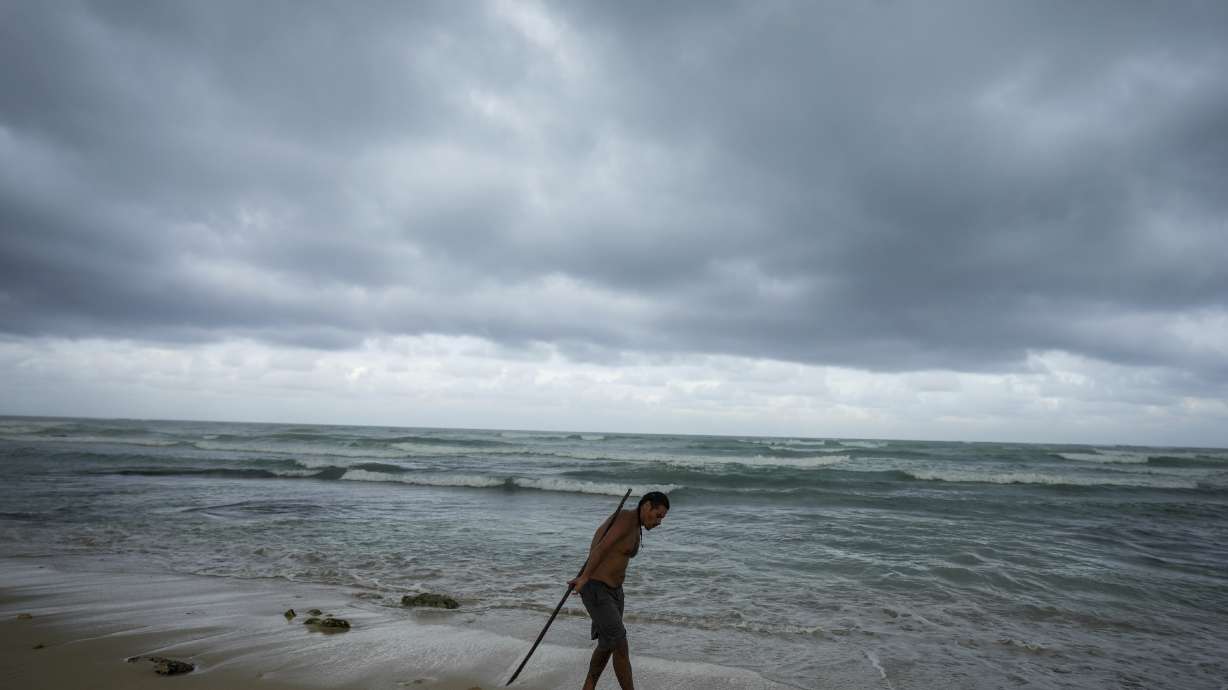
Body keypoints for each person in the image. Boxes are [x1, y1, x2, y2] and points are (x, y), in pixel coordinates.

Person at [568, 491, 670, 690]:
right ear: (647, 506)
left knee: (607, 645)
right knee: (620, 645)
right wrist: (585, 577)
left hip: (615, 593)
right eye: (658, 515)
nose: (659, 522)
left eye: (662, 519)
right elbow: (601, 547)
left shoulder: (635, 526)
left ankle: (587, 687)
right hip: (597, 589)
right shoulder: (625, 518)